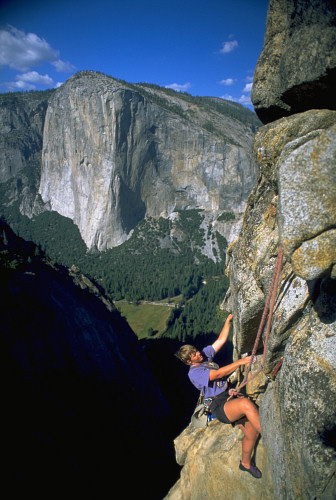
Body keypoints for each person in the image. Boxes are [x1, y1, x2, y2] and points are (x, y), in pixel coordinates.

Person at [174, 314, 262, 479]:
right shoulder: (195, 373)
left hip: (227, 397)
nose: (198, 353)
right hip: (219, 405)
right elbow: (218, 373)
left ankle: (245, 464)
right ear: (189, 361)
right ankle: (272, 439)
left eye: (196, 351)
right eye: (194, 354)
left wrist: (227, 322)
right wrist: (240, 363)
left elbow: (220, 341)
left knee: (251, 434)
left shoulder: (204, 358)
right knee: (246, 405)